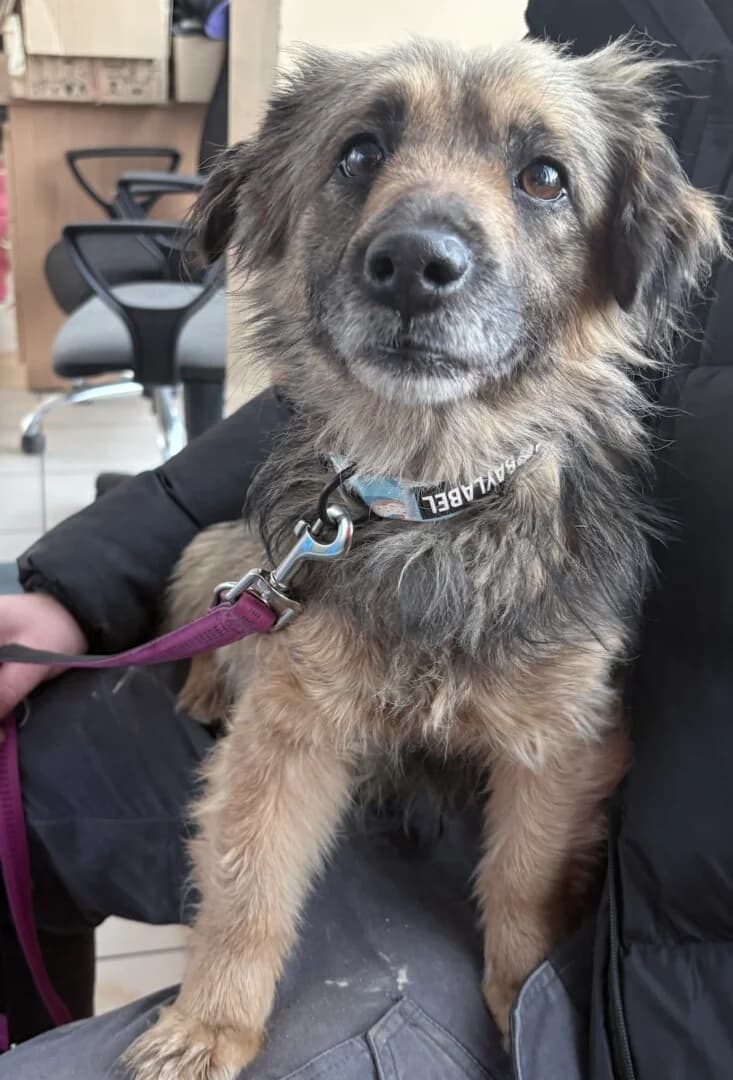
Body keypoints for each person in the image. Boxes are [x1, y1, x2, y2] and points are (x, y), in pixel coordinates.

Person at [1, 1, 732, 1076]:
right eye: (362, 152)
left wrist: (519, 954)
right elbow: (294, 433)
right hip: (339, 575)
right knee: (38, 766)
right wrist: (77, 576)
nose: (419, 242)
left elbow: (563, 750)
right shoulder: (621, 23)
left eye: (539, 177)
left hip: (661, 937)